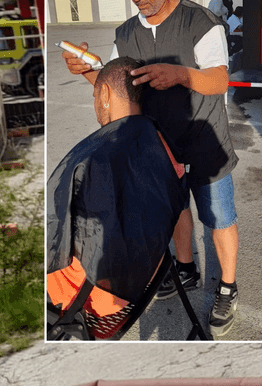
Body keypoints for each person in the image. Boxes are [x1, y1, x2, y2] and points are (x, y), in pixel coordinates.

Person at [61, 0, 241, 338]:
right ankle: (186, 268)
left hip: (205, 142)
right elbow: (117, 85)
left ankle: (227, 286)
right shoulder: (125, 34)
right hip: (159, 147)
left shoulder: (201, 23)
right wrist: (85, 71)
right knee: (174, 210)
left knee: (220, 218)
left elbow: (219, 78)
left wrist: (180, 75)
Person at [47, 57, 187, 323]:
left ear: (106, 93)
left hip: (96, 301)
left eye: (95, 96)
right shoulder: (161, 141)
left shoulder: (93, 161)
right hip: (150, 274)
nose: (95, 106)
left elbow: (56, 235)